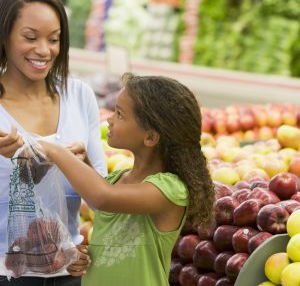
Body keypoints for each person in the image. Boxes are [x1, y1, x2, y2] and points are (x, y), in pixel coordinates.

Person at [39, 73, 215, 286]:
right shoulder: (117, 179)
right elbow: (100, 201)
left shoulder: (170, 190)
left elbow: (103, 197)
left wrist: (56, 152)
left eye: (120, 114)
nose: (110, 119)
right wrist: (81, 257)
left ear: (150, 137)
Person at [0, 0, 107, 285]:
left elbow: (101, 200)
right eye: (30, 38)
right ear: (3, 37)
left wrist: (77, 165)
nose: (44, 50)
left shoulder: (78, 95)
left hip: (65, 272)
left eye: (54, 39)